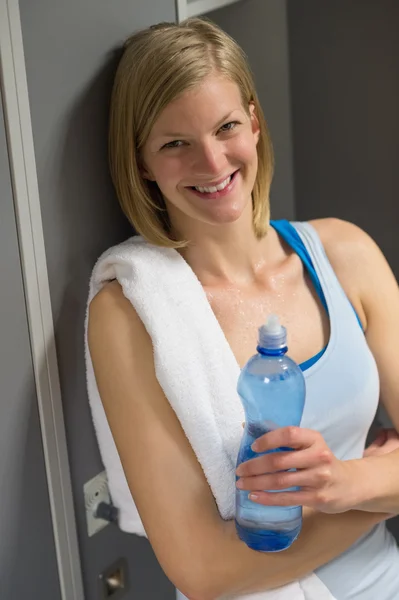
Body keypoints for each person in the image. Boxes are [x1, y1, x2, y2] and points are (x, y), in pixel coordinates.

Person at [87, 17, 399, 600]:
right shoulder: (129, 316)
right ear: (143, 163)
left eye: (226, 127)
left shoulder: (345, 254)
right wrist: (372, 495)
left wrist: (348, 481)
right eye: (175, 143)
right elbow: (205, 572)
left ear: (254, 125)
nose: (212, 162)